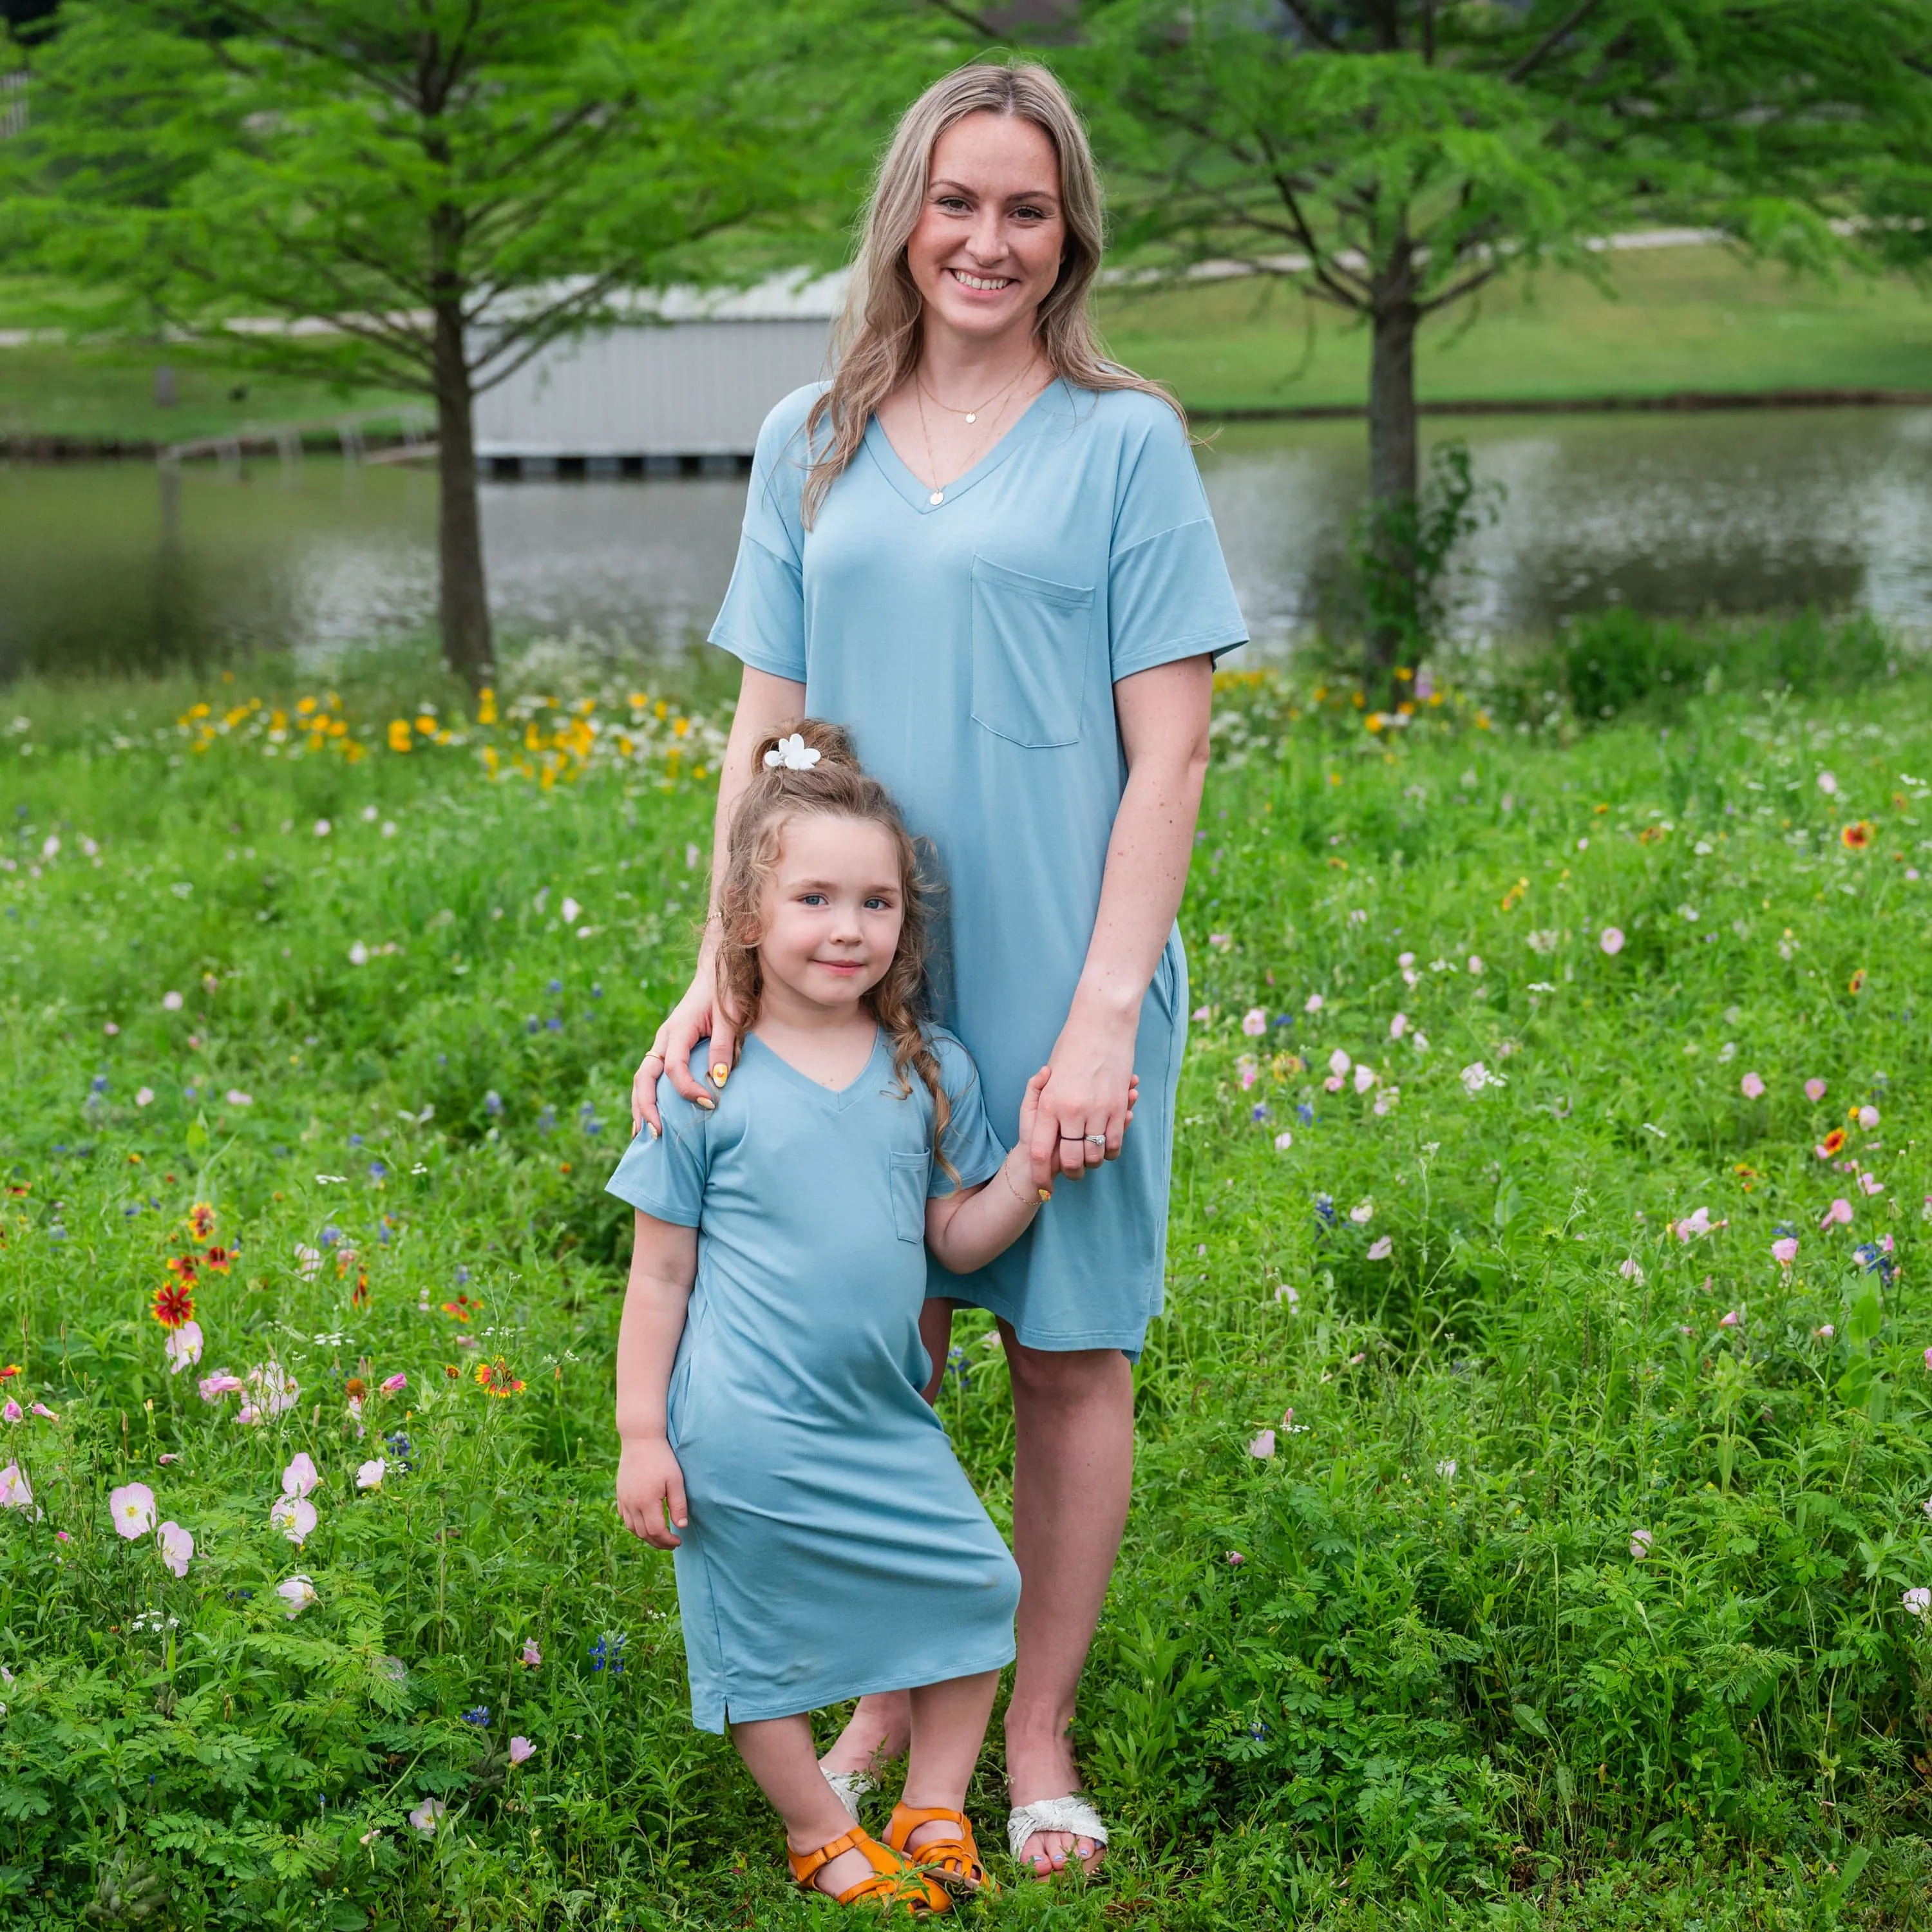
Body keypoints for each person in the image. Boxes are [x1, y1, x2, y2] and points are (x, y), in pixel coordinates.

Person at [629, 60, 1245, 1879]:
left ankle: (1033, 1730)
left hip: (1068, 970)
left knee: (1062, 1352)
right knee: (873, 1341)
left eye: (1028, 208)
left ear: (1071, 236)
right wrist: (720, 973)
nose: (989, 240)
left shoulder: (1125, 440)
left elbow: (1175, 754)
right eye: (958, 201)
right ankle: (897, 1693)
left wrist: (1101, 1021)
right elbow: (766, 743)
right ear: (906, 211)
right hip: (846, 981)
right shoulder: (805, 436)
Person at [612, 720, 1104, 1910]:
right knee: (762, 1644)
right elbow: (659, 1276)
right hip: (743, 1423)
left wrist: (1031, 1167)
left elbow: (953, 1240)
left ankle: (932, 1803)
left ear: (904, 925)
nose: (848, 928)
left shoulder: (925, 1069)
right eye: (816, 898)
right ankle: (818, 1830)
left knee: (981, 1590)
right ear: (744, 918)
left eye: (877, 903)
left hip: (884, 1415)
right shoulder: (707, 1083)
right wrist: (642, 1433)